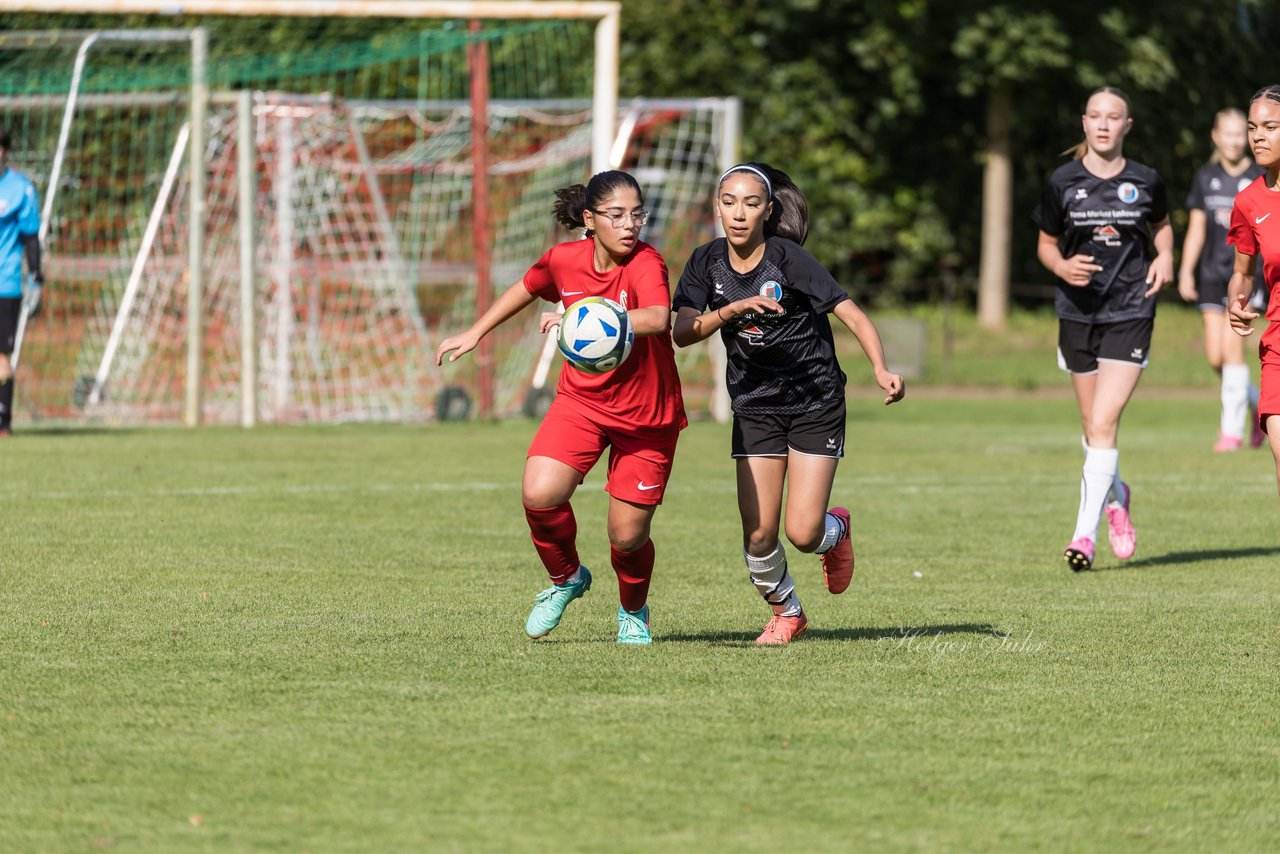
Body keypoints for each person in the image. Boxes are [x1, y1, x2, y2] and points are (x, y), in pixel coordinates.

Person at [435, 170, 685, 644]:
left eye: (637, 214)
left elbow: (657, 317)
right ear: (590, 220)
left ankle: (633, 611)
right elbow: (528, 285)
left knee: (627, 537)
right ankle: (566, 578)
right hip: (583, 403)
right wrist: (475, 331)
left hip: (646, 415)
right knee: (539, 493)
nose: (630, 225)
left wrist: (583, 316)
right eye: (616, 216)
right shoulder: (565, 260)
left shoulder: (646, 263)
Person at [671, 162, 904, 645]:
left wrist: (880, 368)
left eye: (751, 203)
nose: (739, 213)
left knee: (802, 532)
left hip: (814, 400)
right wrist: (733, 309)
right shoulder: (705, 262)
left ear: (768, 210)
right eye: (730, 201)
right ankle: (787, 612)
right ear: (717, 206)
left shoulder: (789, 259)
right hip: (755, 406)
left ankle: (835, 530)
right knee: (758, 534)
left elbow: (851, 313)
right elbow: (682, 333)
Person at [1033, 86, 1174, 571]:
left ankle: (1083, 536)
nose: (1104, 124)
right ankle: (1117, 494)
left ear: (1126, 126)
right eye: (1095, 115)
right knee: (1093, 427)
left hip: (1131, 310)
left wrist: (1168, 256)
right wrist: (1062, 266)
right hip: (1077, 313)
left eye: (1113, 117)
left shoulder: (1146, 179)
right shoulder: (1062, 181)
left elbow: (1162, 225)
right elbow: (1046, 245)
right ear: (1084, 123)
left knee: (1103, 424)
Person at [1178, 108, 1267, 452]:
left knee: (1233, 352)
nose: (1233, 140)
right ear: (1215, 136)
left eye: (1238, 133)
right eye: (1226, 134)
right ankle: (1257, 405)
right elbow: (1197, 229)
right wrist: (1186, 269)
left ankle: (1230, 432)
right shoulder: (1205, 177)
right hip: (1211, 275)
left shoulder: (1260, 175)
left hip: (1245, 275)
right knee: (1216, 357)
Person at [1227, 84, 1280, 500]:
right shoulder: (1248, 202)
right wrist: (1235, 301)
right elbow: (1242, 272)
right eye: (1252, 128)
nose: (1258, 136)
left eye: (1270, 126)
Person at [0, 128, 44, 437]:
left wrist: (36, 278)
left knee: (1, 356)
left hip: (6, 284)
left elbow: (31, 239)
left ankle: (3, 422)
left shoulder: (20, 189)